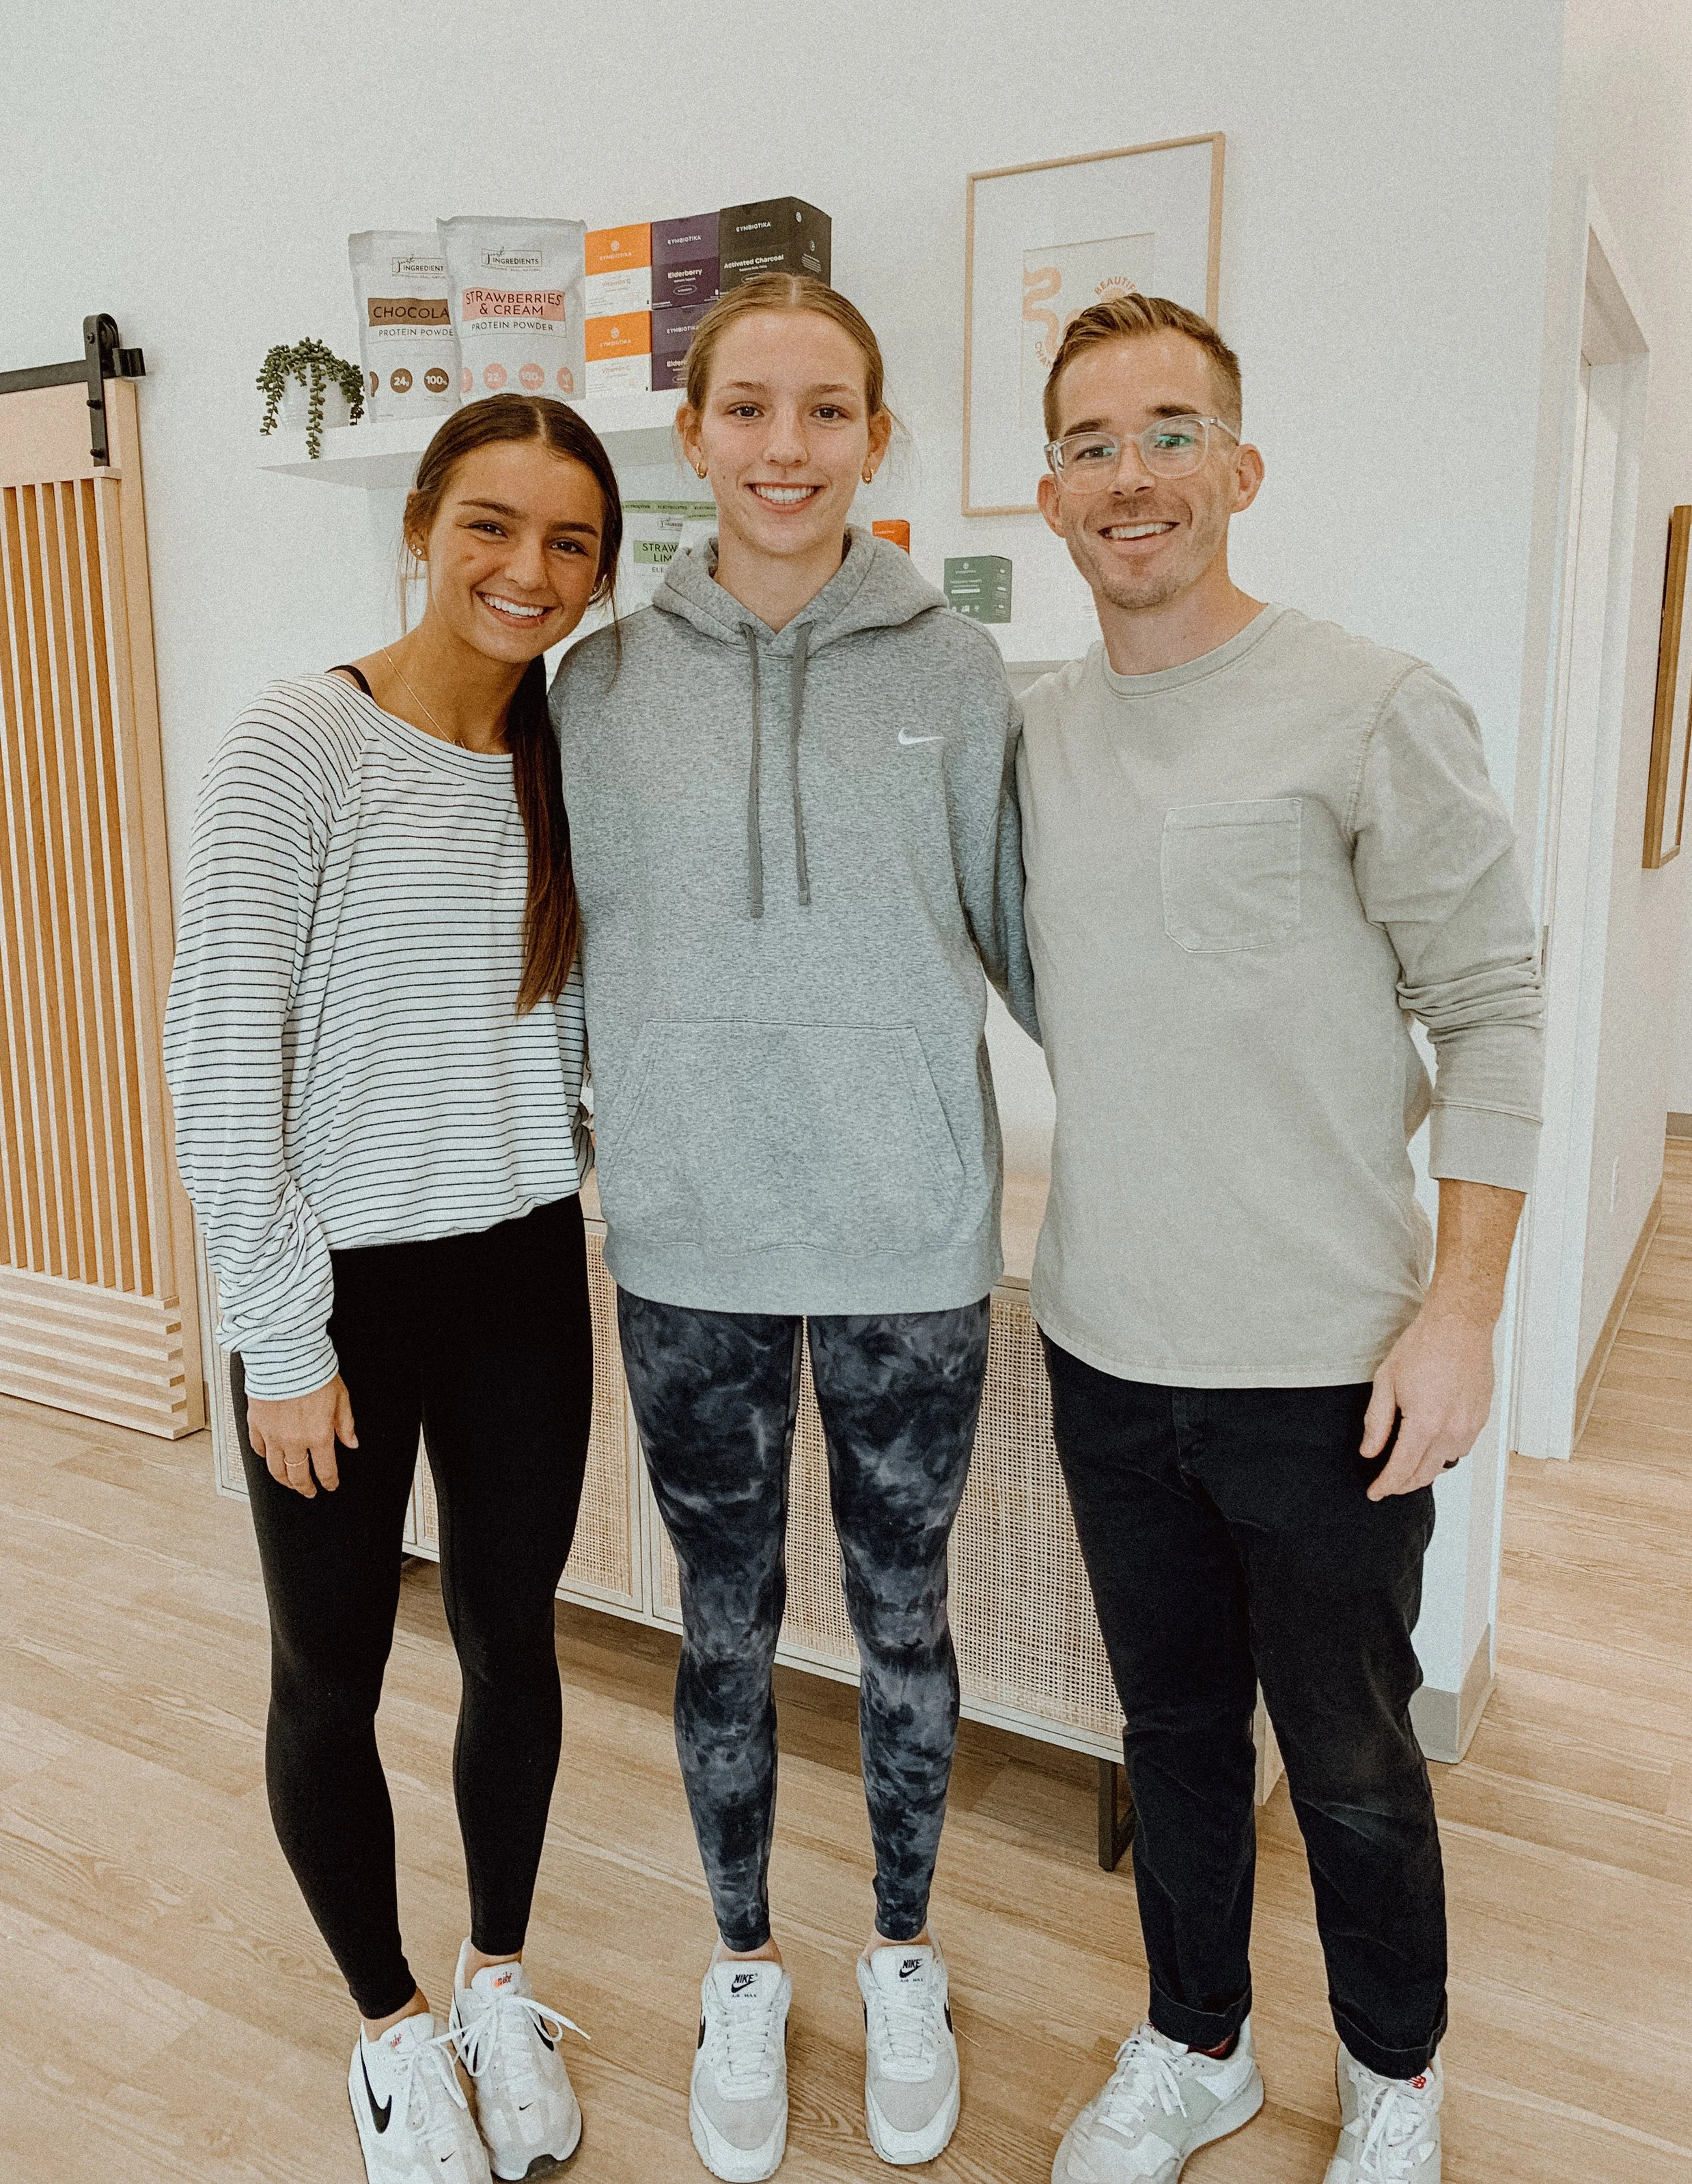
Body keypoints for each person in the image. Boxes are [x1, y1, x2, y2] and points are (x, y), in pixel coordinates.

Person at [1018, 296, 1543, 2184]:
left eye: (1170, 432)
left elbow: (1493, 1003)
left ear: (1238, 470)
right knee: (1167, 1739)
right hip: (1101, 1342)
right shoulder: (1029, 734)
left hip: (1325, 1364)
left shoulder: (1368, 703)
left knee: (1346, 1763)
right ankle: (1198, 2041)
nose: (1129, 473)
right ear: (1048, 492)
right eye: (1090, 440)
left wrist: (1460, 1307)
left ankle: (1393, 2073)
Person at [551, 271, 1035, 2180]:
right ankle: (740, 1961)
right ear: (693, 433)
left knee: (906, 1615)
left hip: (911, 1234)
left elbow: (1024, 929)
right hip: (686, 1246)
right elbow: (561, 961)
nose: (783, 447)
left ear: (876, 436)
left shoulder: (955, 666)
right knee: (723, 1625)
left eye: (824, 410)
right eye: (747, 408)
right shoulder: (596, 685)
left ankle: (900, 1948)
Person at [163, 395, 620, 2184]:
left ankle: (494, 1978)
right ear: (421, 525)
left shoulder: (557, 756)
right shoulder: (297, 739)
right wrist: (281, 1336)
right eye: (493, 525)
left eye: (571, 541)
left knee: (516, 1645)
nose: (528, 570)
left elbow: (560, 1037)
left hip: (520, 1271)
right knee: (330, 1674)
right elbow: (220, 1053)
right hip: (335, 1292)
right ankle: (390, 2027)